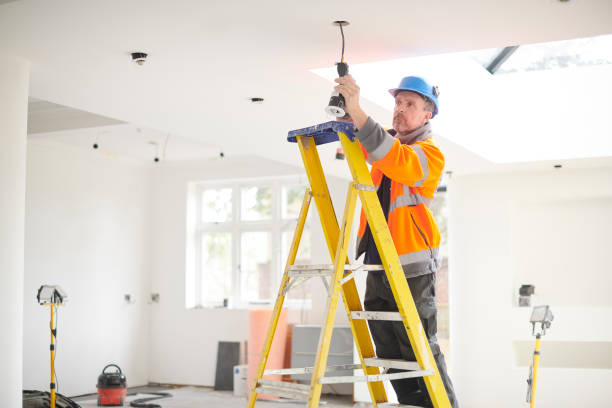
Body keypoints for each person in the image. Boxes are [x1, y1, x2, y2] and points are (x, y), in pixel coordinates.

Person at [334, 75, 458, 408]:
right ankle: (413, 404)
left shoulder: (429, 155)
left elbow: (396, 160)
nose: (400, 110)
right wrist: (346, 113)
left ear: (427, 114)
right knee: (388, 348)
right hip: (378, 262)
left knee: (418, 345)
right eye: (398, 103)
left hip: (411, 265)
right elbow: (355, 149)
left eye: (410, 105)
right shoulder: (386, 145)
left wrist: (359, 112)